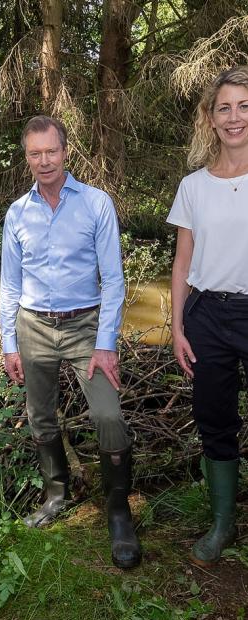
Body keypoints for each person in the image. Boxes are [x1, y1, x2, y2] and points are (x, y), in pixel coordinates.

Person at [0, 115, 141, 569]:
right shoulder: (17, 213)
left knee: (107, 414)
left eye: (51, 151)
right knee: (40, 415)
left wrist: (105, 343)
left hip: (85, 327)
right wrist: (8, 342)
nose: (44, 161)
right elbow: (9, 284)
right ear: (27, 158)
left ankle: (118, 511)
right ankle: (56, 494)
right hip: (33, 326)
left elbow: (114, 280)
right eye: (34, 154)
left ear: (66, 152)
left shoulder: (96, 204)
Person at [168, 66, 248, 567]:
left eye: (244, 106)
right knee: (215, 420)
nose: (234, 116)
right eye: (225, 107)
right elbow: (182, 261)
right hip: (207, 317)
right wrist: (177, 327)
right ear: (210, 117)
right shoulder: (194, 186)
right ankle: (223, 523)